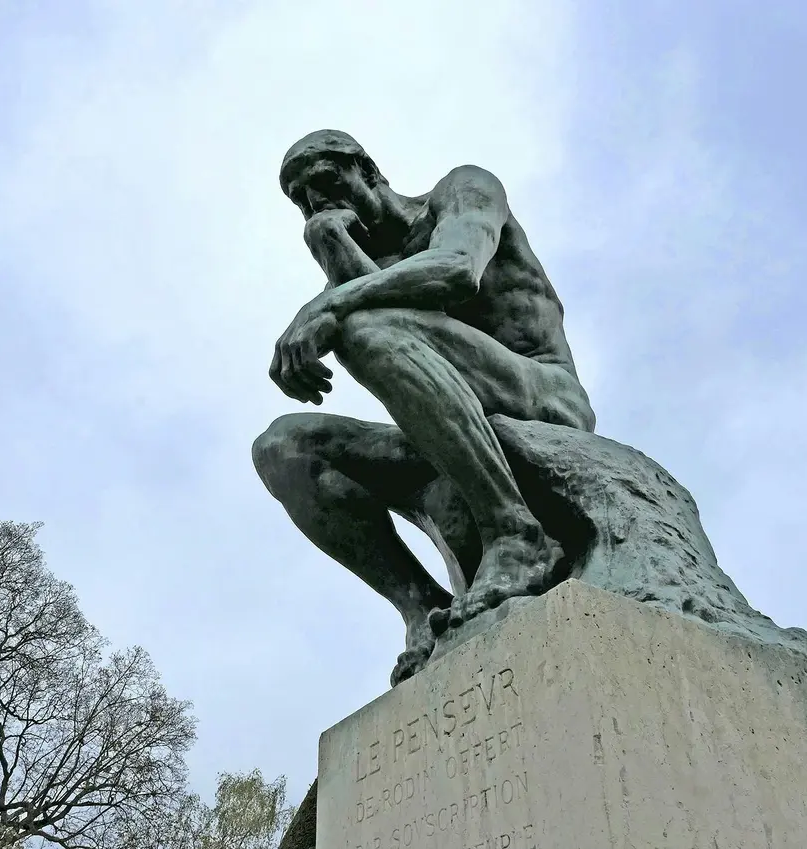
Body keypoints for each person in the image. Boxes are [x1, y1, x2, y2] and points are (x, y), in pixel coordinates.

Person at [252, 130, 596, 685]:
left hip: (537, 394)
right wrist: (330, 248)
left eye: (323, 181)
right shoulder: (363, 262)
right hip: (450, 426)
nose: (316, 202)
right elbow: (382, 309)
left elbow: (456, 271)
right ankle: (422, 611)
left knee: (361, 323)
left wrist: (330, 301)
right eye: (301, 199)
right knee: (282, 446)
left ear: (367, 169)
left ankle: (517, 535)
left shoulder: (463, 189)